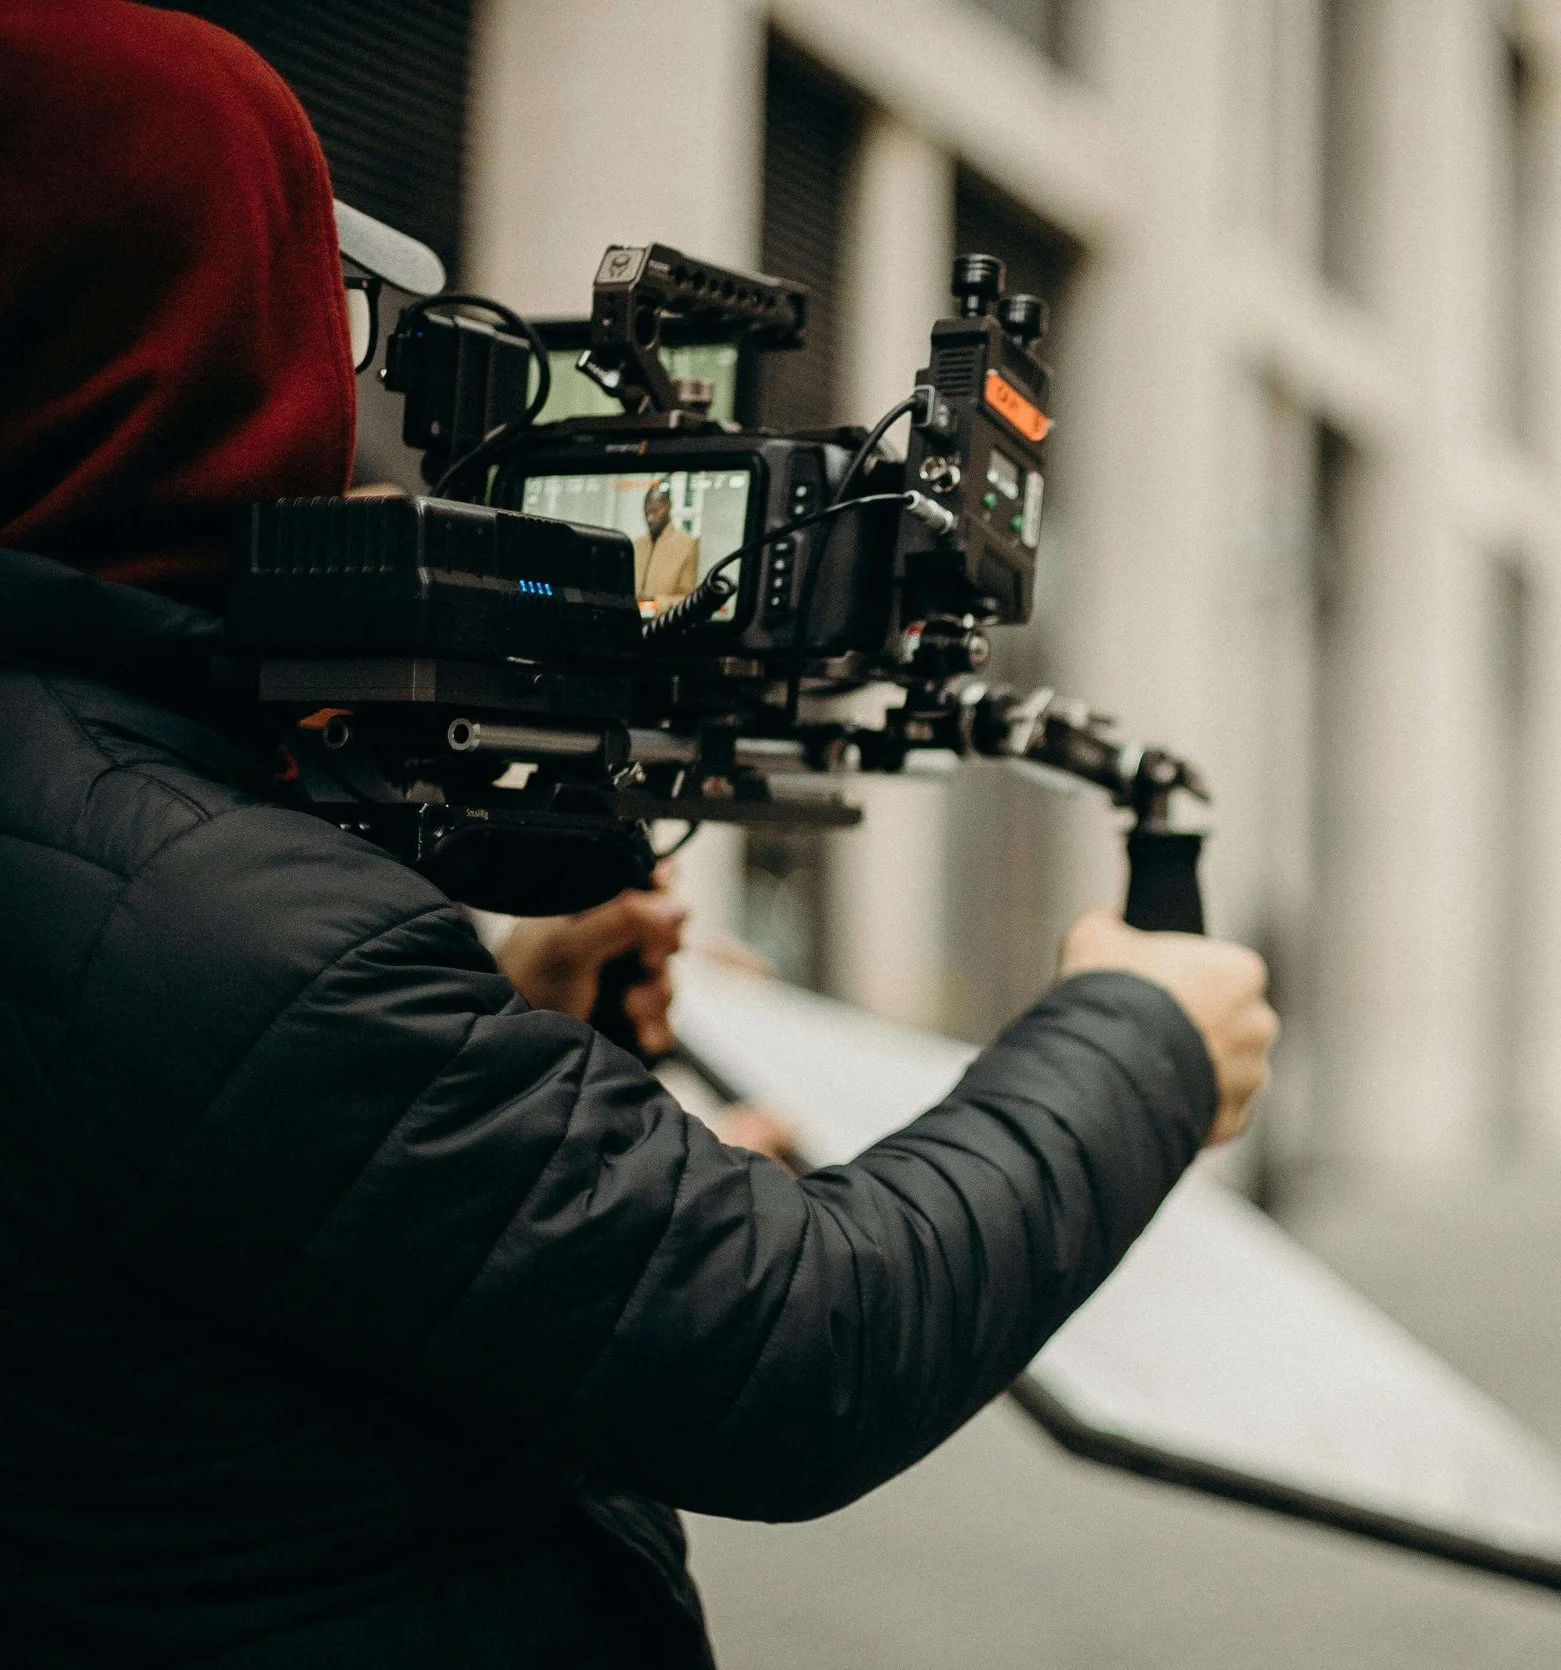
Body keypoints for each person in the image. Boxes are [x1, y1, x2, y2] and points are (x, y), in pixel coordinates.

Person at [0, 5, 1276, 1665]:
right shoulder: (230, 929)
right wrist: (1141, 1038)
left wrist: (497, 1026)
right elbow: (804, 1339)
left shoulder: (156, 873)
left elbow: (205, 1210)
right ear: (203, 339)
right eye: (330, 309)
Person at [634, 479, 701, 604]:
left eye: (655, 511)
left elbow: (688, 598)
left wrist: (655, 602)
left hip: (665, 615)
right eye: (646, 512)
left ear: (668, 506)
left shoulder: (687, 545)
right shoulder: (637, 545)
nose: (650, 518)